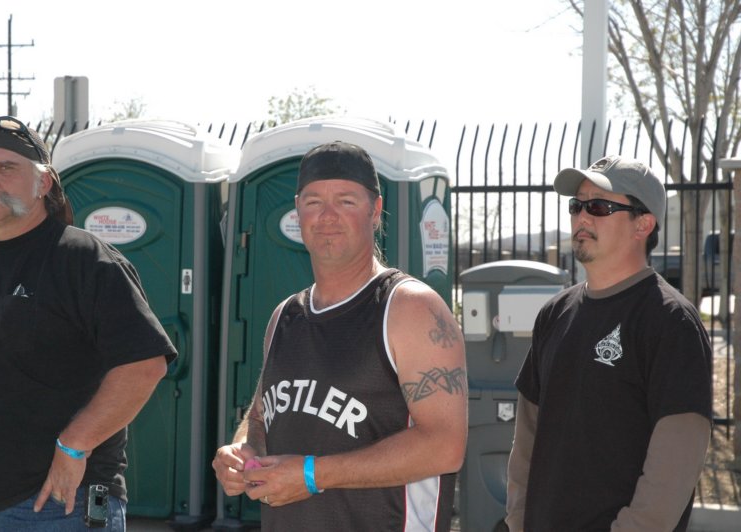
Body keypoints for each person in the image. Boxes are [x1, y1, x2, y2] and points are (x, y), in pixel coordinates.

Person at [212, 140, 468, 531]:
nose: (327, 215)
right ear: (298, 210)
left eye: (346, 201)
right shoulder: (285, 316)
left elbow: (445, 446)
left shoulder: (409, 308)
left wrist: (312, 474)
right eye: (314, 201)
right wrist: (243, 451)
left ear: (375, 211)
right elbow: (263, 413)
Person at [0, 116, 177, 531]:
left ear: (44, 183)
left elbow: (144, 364)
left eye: (6, 167)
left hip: (56, 503)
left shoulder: (85, 260)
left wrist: (75, 445)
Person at [505, 155, 713, 531]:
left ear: (643, 224)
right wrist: (518, 521)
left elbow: (673, 468)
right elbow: (526, 442)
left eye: (599, 206)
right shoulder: (554, 313)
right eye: (577, 205)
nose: (582, 217)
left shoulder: (671, 322)